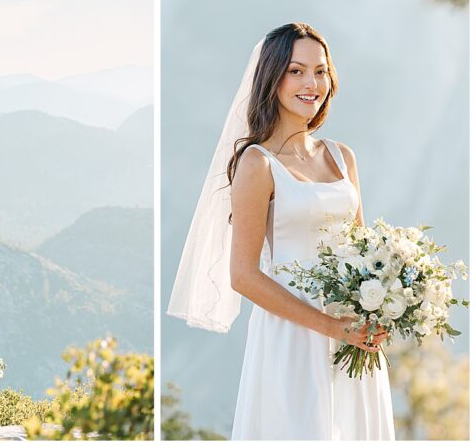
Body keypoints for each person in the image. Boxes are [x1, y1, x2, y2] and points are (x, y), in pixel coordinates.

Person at [168, 23, 394, 440]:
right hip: (292, 338)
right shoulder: (257, 163)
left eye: (321, 71)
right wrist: (329, 326)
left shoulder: (342, 157)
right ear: (272, 77)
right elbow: (243, 276)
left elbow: (366, 253)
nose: (312, 83)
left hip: (354, 337)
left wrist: (386, 303)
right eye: (296, 70)